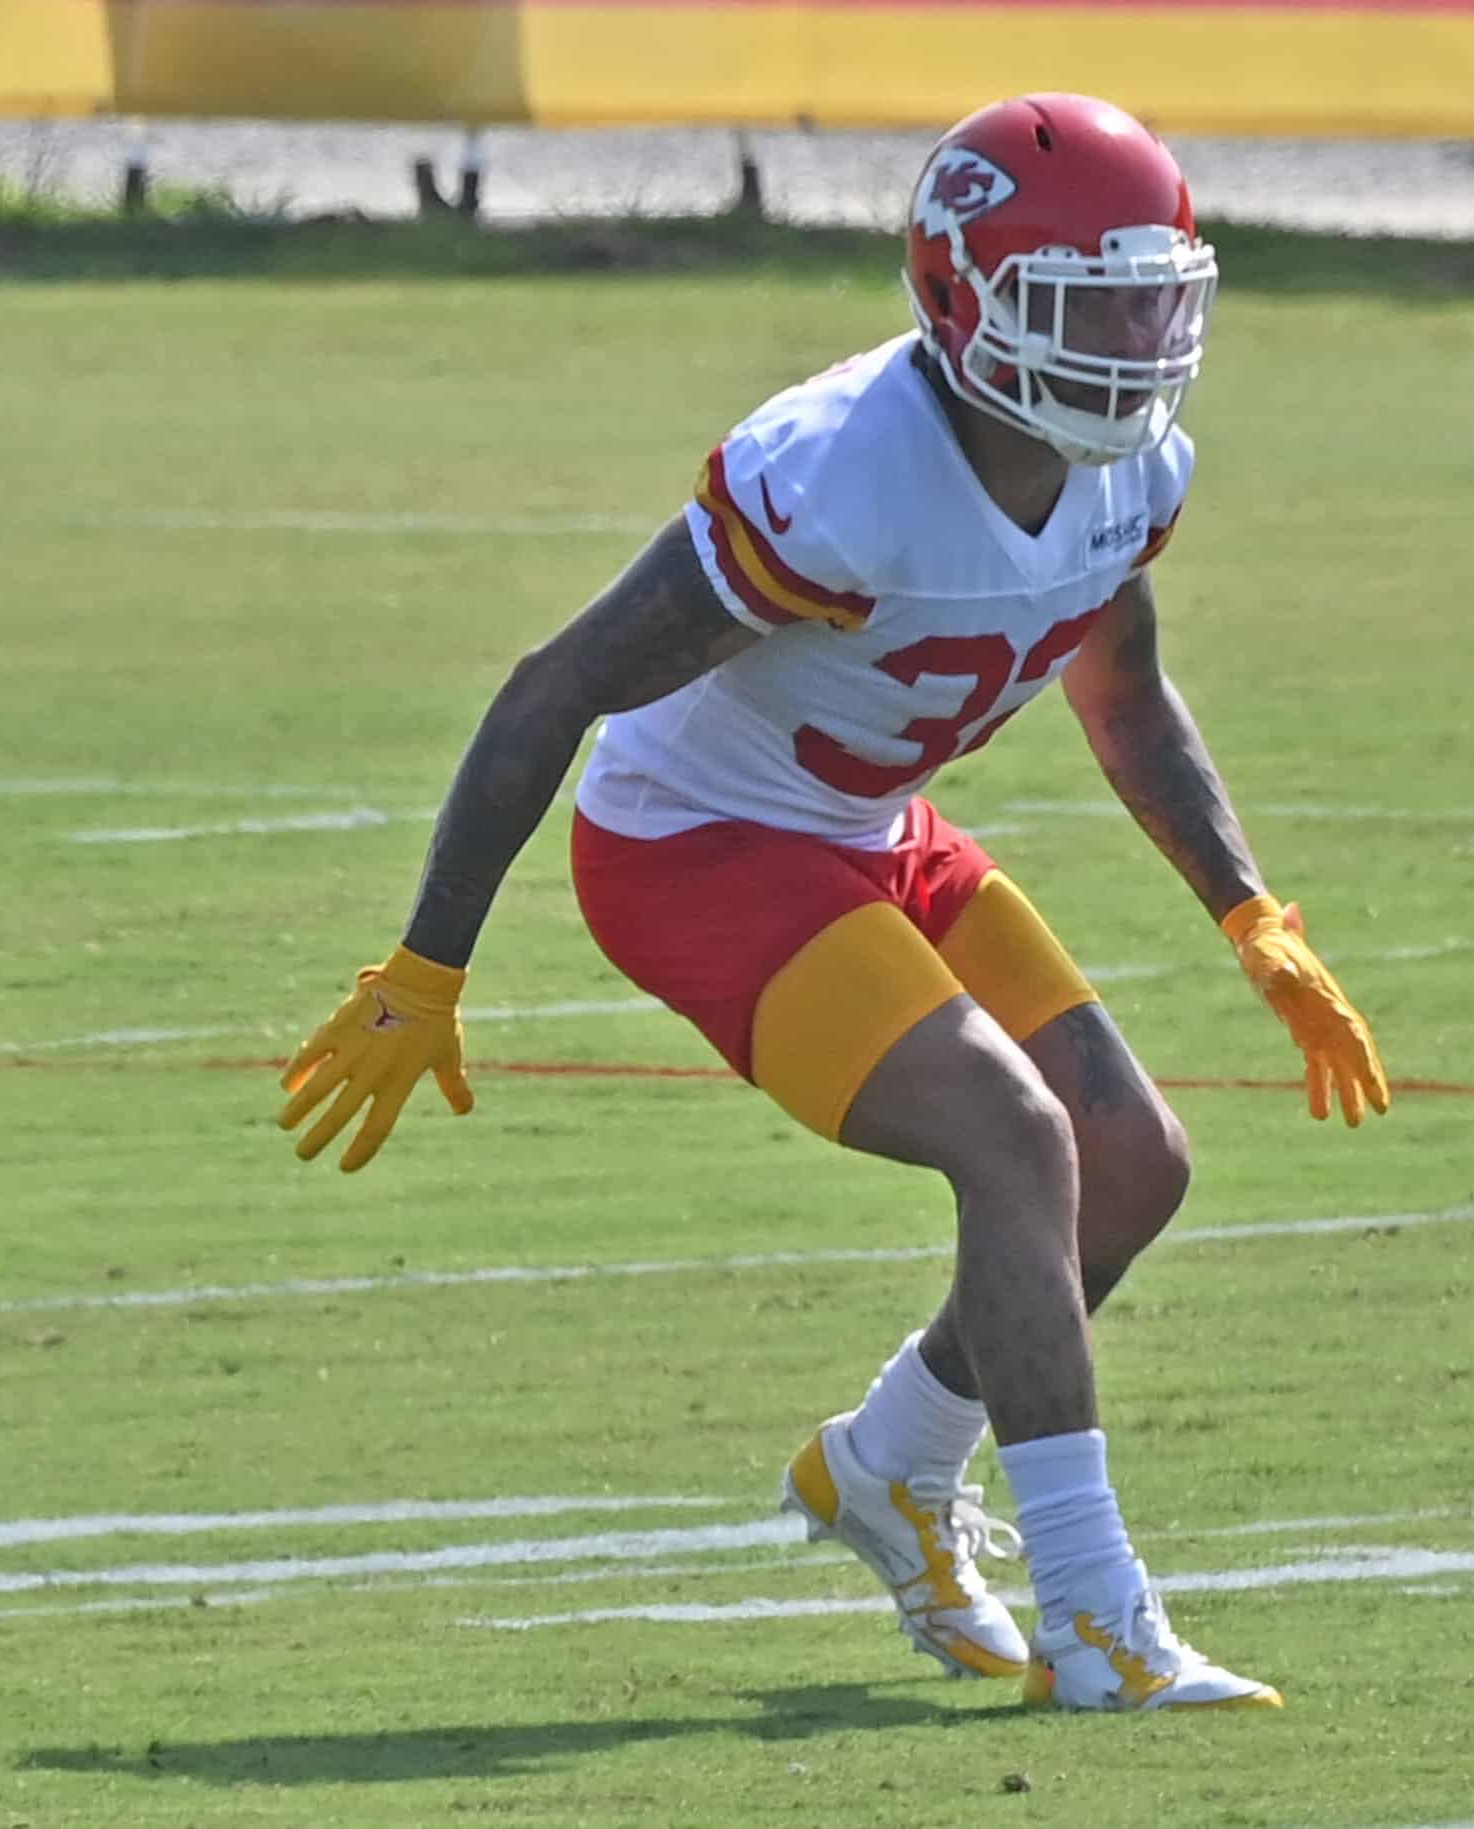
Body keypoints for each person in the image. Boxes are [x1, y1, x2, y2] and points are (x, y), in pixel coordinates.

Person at [276, 92, 1390, 1712]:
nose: (1138, 343)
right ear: (965, 295)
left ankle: (889, 1461)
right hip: (696, 842)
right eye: (1090, 305)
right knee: (1019, 1136)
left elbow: (1124, 689)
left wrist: (1250, 911)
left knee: (1134, 1161)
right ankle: (1094, 1619)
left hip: (871, 826)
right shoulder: (838, 475)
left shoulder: (1124, 470)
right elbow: (555, 685)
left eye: (1156, 297)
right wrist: (424, 964)